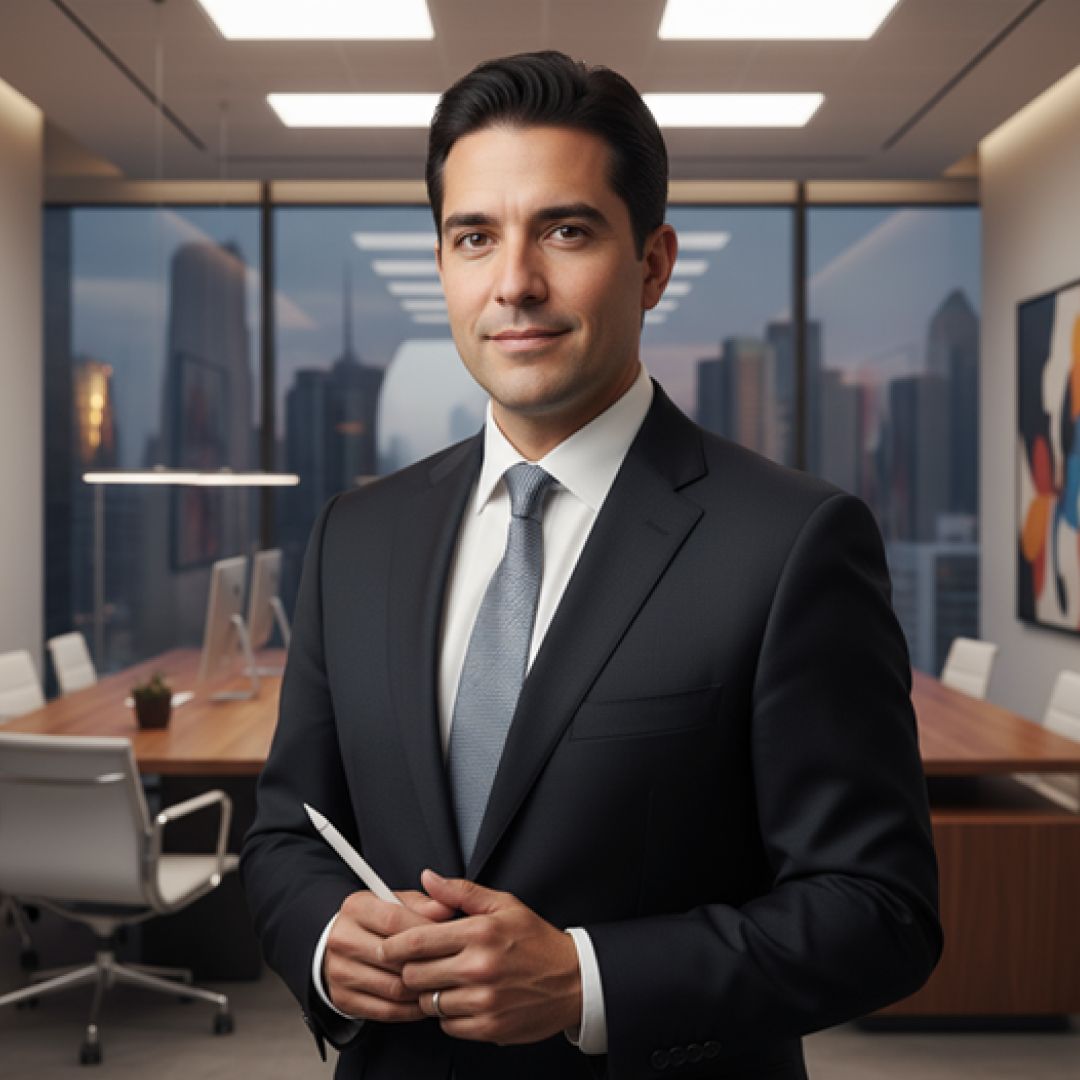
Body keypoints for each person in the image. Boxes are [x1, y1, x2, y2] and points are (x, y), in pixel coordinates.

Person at [241, 51, 941, 1080]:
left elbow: (880, 911)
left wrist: (585, 979)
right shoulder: (359, 532)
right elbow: (285, 833)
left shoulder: (791, 540)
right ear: (442, 265)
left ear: (651, 264)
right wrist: (321, 942)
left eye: (565, 231)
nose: (515, 282)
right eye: (474, 237)